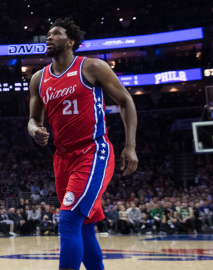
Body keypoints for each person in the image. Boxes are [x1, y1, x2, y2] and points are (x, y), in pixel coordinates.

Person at [28, 19, 138, 270]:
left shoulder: (91, 67)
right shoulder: (38, 78)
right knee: (85, 228)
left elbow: (126, 101)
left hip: (92, 151)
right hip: (62, 157)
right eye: (47, 34)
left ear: (71, 41)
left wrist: (130, 145)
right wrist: (36, 131)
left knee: (67, 220)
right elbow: (33, 120)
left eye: (56, 33)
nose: (49, 37)